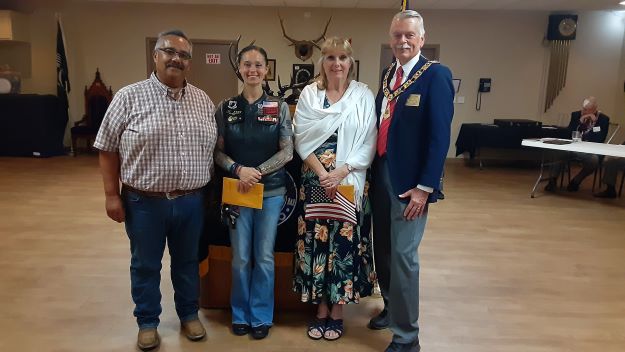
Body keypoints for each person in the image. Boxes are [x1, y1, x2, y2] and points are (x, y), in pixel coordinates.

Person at [94, 29, 217, 351]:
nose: (176, 58)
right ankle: (147, 321)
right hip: (144, 203)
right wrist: (110, 195)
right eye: (169, 51)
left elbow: (213, 149)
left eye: (184, 54)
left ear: (190, 62)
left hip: (191, 202)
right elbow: (107, 148)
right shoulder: (128, 96)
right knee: (146, 265)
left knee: (187, 262)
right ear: (156, 56)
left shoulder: (202, 100)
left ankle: (189, 314)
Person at [369, 10, 454, 352]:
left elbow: (439, 137)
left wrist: (425, 187)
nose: (402, 41)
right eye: (396, 35)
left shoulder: (435, 75)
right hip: (381, 171)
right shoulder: (390, 74)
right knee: (384, 249)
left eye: (409, 35)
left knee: (404, 255)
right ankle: (391, 307)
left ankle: (407, 336)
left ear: (421, 38)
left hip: (411, 184)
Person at [293, 37, 377, 342]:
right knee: (318, 240)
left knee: (343, 244)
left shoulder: (363, 95)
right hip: (316, 179)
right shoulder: (309, 95)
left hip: (349, 179)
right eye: (330, 57)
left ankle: (338, 310)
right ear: (322, 62)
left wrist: (340, 171)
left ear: (350, 62)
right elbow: (300, 137)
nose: (337, 63)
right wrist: (323, 173)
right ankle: (320, 309)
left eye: (343, 57)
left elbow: (369, 139)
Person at [213, 45, 293, 340]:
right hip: (237, 191)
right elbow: (217, 152)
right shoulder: (225, 108)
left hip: (270, 191)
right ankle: (240, 314)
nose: (253, 70)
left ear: (266, 70)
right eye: (247, 64)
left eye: (258, 65)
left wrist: (256, 171)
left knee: (264, 256)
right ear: (240, 69)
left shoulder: (278, 107)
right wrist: (238, 170)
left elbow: (287, 151)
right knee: (241, 257)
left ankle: (261, 315)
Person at [545, 97, 610, 192]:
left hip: (590, 151)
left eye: (586, 110)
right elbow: (569, 133)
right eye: (583, 108)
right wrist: (580, 122)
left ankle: (576, 181)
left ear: (594, 110)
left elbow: (599, 139)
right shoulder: (576, 115)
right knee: (558, 152)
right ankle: (552, 180)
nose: (583, 111)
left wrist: (595, 124)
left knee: (594, 160)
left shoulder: (603, 120)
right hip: (573, 148)